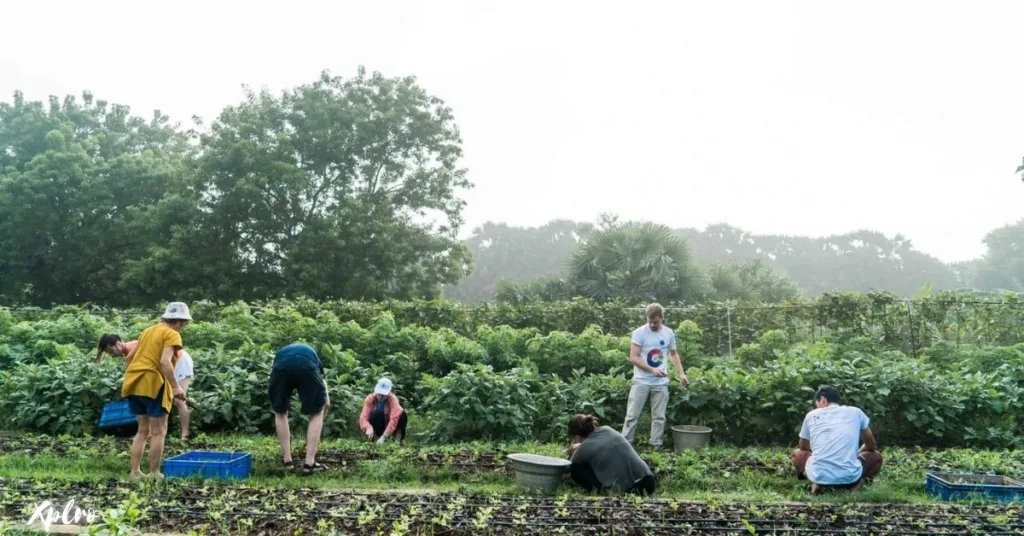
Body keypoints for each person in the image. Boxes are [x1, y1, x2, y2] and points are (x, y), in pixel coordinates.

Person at [119, 302, 192, 480]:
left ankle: (134, 472)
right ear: (179, 322)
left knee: (142, 430)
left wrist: (131, 377)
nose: (184, 326)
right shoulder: (172, 334)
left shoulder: (148, 331)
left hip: (134, 382)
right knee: (159, 431)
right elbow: (165, 362)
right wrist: (175, 386)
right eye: (185, 323)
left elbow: (129, 358)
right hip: (153, 383)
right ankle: (154, 473)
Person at [98, 333, 195, 441]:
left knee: (179, 401)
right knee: (161, 399)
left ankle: (185, 434)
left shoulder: (133, 349)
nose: (111, 355)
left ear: (118, 344)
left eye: (110, 351)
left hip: (179, 361)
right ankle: (154, 433)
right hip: (165, 366)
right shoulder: (128, 353)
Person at [792, 385, 884, 494]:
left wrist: (820, 451)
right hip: (850, 476)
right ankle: (856, 487)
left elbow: (803, 446)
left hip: (819, 474)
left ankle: (817, 482)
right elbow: (871, 445)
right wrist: (855, 454)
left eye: (817, 404)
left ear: (822, 399)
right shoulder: (856, 412)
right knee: (875, 456)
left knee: (798, 454)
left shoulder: (811, 415)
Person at [621, 303, 689, 448]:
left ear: (662, 318)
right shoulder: (639, 333)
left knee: (659, 417)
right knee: (632, 416)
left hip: (661, 383)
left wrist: (681, 374)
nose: (652, 324)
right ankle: (625, 445)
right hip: (641, 381)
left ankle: (656, 446)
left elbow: (673, 354)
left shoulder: (669, 333)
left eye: (656, 321)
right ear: (646, 318)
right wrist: (651, 370)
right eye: (650, 321)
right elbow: (633, 357)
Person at [268, 342, 331, 475]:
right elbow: (326, 401)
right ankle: (309, 464)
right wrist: (323, 405)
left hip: (281, 368)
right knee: (316, 412)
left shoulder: (282, 353)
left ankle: (287, 462)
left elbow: (273, 373)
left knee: (280, 412)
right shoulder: (315, 359)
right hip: (306, 366)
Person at [567, 414, 656, 495]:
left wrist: (579, 448)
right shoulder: (607, 429)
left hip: (630, 490)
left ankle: (600, 491)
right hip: (648, 482)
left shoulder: (583, 450)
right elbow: (598, 443)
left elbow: (568, 466)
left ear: (577, 437)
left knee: (575, 468)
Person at [359, 378, 408, 444]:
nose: (380, 397)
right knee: (377, 414)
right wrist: (368, 427)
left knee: (402, 415)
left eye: (383, 395)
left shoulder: (393, 399)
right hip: (378, 425)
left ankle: (397, 441)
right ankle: (375, 440)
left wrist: (384, 436)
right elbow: (363, 417)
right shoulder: (370, 398)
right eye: (379, 394)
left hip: (390, 426)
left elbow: (394, 419)